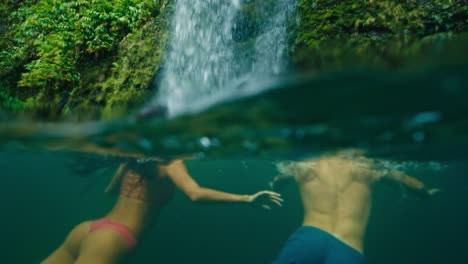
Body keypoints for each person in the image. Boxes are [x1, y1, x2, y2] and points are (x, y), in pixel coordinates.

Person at [42, 158, 283, 264]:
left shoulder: (133, 159)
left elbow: (109, 191)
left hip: (88, 229)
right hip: (113, 239)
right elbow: (195, 193)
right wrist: (246, 198)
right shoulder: (171, 163)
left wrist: (129, 162)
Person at [271, 149, 440, 264]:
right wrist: (426, 192)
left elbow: (278, 181)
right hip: (348, 245)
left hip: (309, 237)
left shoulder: (305, 165)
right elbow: (406, 181)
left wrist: (273, 186)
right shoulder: (367, 165)